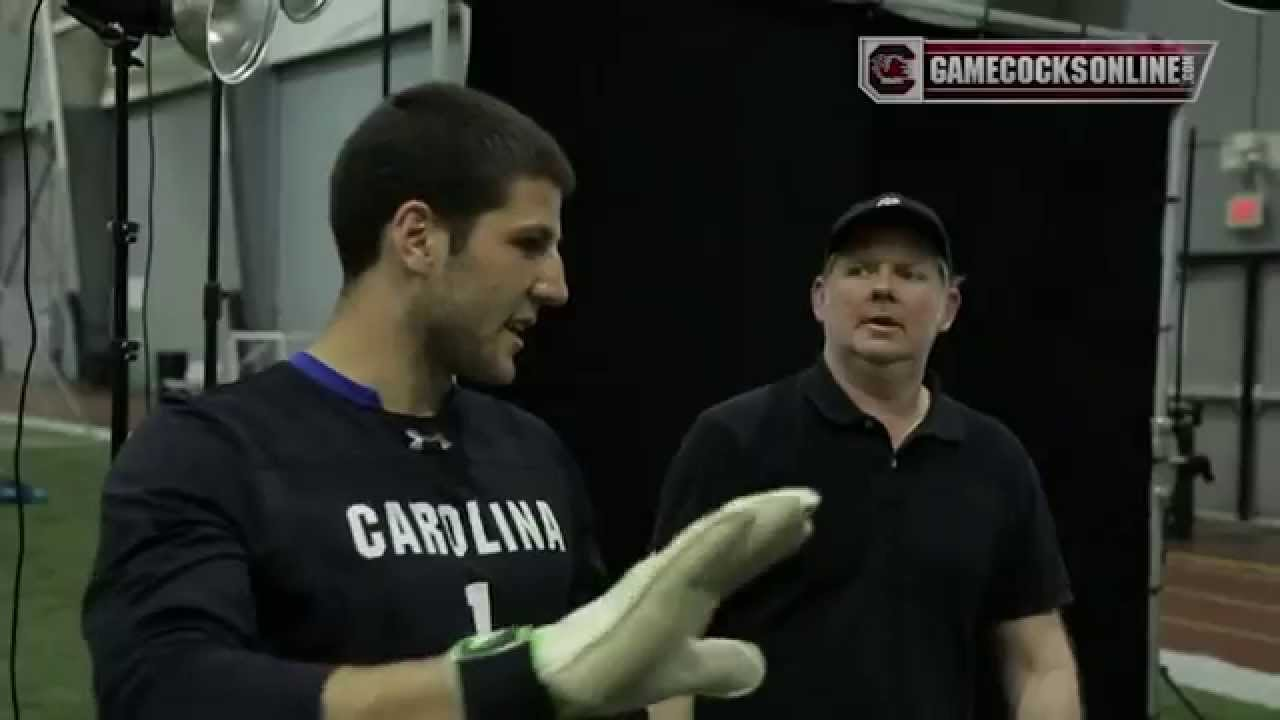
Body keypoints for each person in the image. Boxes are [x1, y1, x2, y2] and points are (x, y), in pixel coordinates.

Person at [80, 81, 822, 720]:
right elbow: (164, 689)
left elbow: (596, 677)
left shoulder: (532, 452)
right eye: (529, 244)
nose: (556, 285)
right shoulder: (207, 452)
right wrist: (502, 684)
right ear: (417, 238)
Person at [648, 192, 1082, 720]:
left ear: (948, 308)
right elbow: (664, 640)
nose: (882, 288)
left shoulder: (994, 458)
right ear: (819, 298)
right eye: (859, 270)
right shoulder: (735, 438)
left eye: (909, 273)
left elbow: (1041, 664)